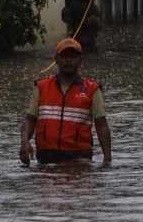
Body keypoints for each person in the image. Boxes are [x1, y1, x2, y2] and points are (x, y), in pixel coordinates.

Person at [19, 38, 111, 166]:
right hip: (46, 158)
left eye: (73, 56)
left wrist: (107, 161)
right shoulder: (42, 87)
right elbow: (30, 119)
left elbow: (101, 125)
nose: (68, 60)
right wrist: (25, 142)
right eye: (64, 56)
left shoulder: (92, 89)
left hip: (79, 159)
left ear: (80, 60)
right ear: (56, 59)